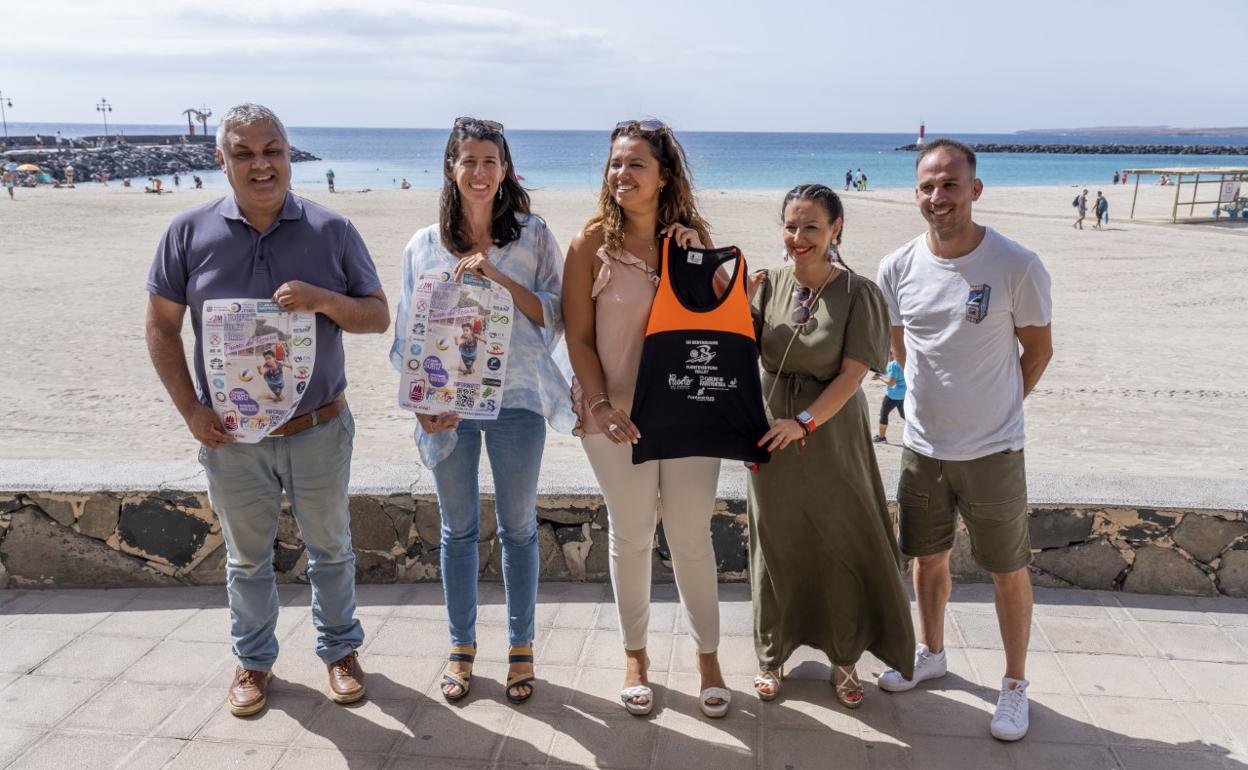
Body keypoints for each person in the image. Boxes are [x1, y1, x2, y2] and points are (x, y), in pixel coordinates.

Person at [145, 103, 389, 718]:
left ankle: (340, 651)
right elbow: (161, 327)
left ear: (288, 154)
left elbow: (377, 316)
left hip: (318, 427)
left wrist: (324, 300)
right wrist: (190, 410)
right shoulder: (186, 232)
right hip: (231, 437)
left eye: (272, 150)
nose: (262, 165)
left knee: (331, 549)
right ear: (221, 159)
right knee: (247, 559)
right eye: (245, 153)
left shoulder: (332, 230)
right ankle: (253, 662)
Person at [390, 116, 574, 706]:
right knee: (458, 530)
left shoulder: (533, 235)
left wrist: (495, 278)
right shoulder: (423, 245)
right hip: (450, 408)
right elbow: (408, 336)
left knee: (519, 529)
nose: (479, 171)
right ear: (451, 167)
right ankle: (461, 646)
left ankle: (521, 646)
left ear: (504, 169)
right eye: (468, 160)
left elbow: (556, 314)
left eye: (489, 160)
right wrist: (421, 407)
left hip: (518, 401)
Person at [875, 138, 1053, 742]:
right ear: (916, 194)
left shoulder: (1015, 263)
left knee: (1008, 568)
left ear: (975, 189)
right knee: (928, 557)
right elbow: (902, 346)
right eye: (928, 186)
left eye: (950, 184)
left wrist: (999, 407)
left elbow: (1039, 349)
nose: (938, 196)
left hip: (994, 450)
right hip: (923, 447)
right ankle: (931, 653)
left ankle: (1014, 684)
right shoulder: (897, 266)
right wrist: (931, 405)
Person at [563, 118, 731, 719]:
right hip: (615, 417)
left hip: (690, 414)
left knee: (690, 536)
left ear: (664, 176)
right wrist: (600, 405)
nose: (622, 174)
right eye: (615, 163)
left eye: (636, 163)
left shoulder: (691, 239)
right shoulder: (589, 245)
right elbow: (579, 338)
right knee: (631, 535)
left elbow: (725, 321)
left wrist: (699, 259)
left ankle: (708, 658)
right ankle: (635, 657)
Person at [746, 184, 916, 709]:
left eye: (811, 227)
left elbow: (853, 375)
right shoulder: (765, 284)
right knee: (775, 542)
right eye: (790, 226)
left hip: (832, 432)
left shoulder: (859, 292)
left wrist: (805, 422)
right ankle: (771, 655)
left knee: (839, 542)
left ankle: (844, 658)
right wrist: (731, 299)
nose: (798, 237)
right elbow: (734, 352)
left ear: (835, 229)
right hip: (769, 430)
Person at [872, 346, 906, 443]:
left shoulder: (894, 365)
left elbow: (891, 382)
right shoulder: (906, 361)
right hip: (904, 394)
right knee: (905, 415)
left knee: (884, 414)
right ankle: (918, 434)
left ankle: (881, 438)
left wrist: (879, 378)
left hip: (893, 395)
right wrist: (882, 375)